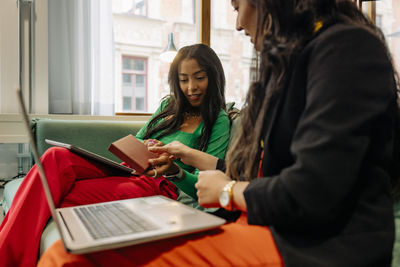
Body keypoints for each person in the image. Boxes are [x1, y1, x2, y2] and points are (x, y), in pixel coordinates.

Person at [38, 0, 400, 266]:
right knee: (71, 238)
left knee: (67, 258)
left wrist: (227, 191)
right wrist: (190, 161)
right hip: (266, 225)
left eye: (239, 5)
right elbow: (258, 172)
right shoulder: (292, 63)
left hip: (313, 247)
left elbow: (310, 191)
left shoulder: (347, 49)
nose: (239, 22)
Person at [0, 43, 231, 267]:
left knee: (53, 195)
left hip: (158, 184)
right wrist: (147, 144)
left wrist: (174, 168)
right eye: (184, 80)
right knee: (55, 156)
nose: (191, 87)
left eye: (199, 78)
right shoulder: (168, 106)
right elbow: (139, 138)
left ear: (214, 77)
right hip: (127, 168)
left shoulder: (217, 120)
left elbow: (206, 182)